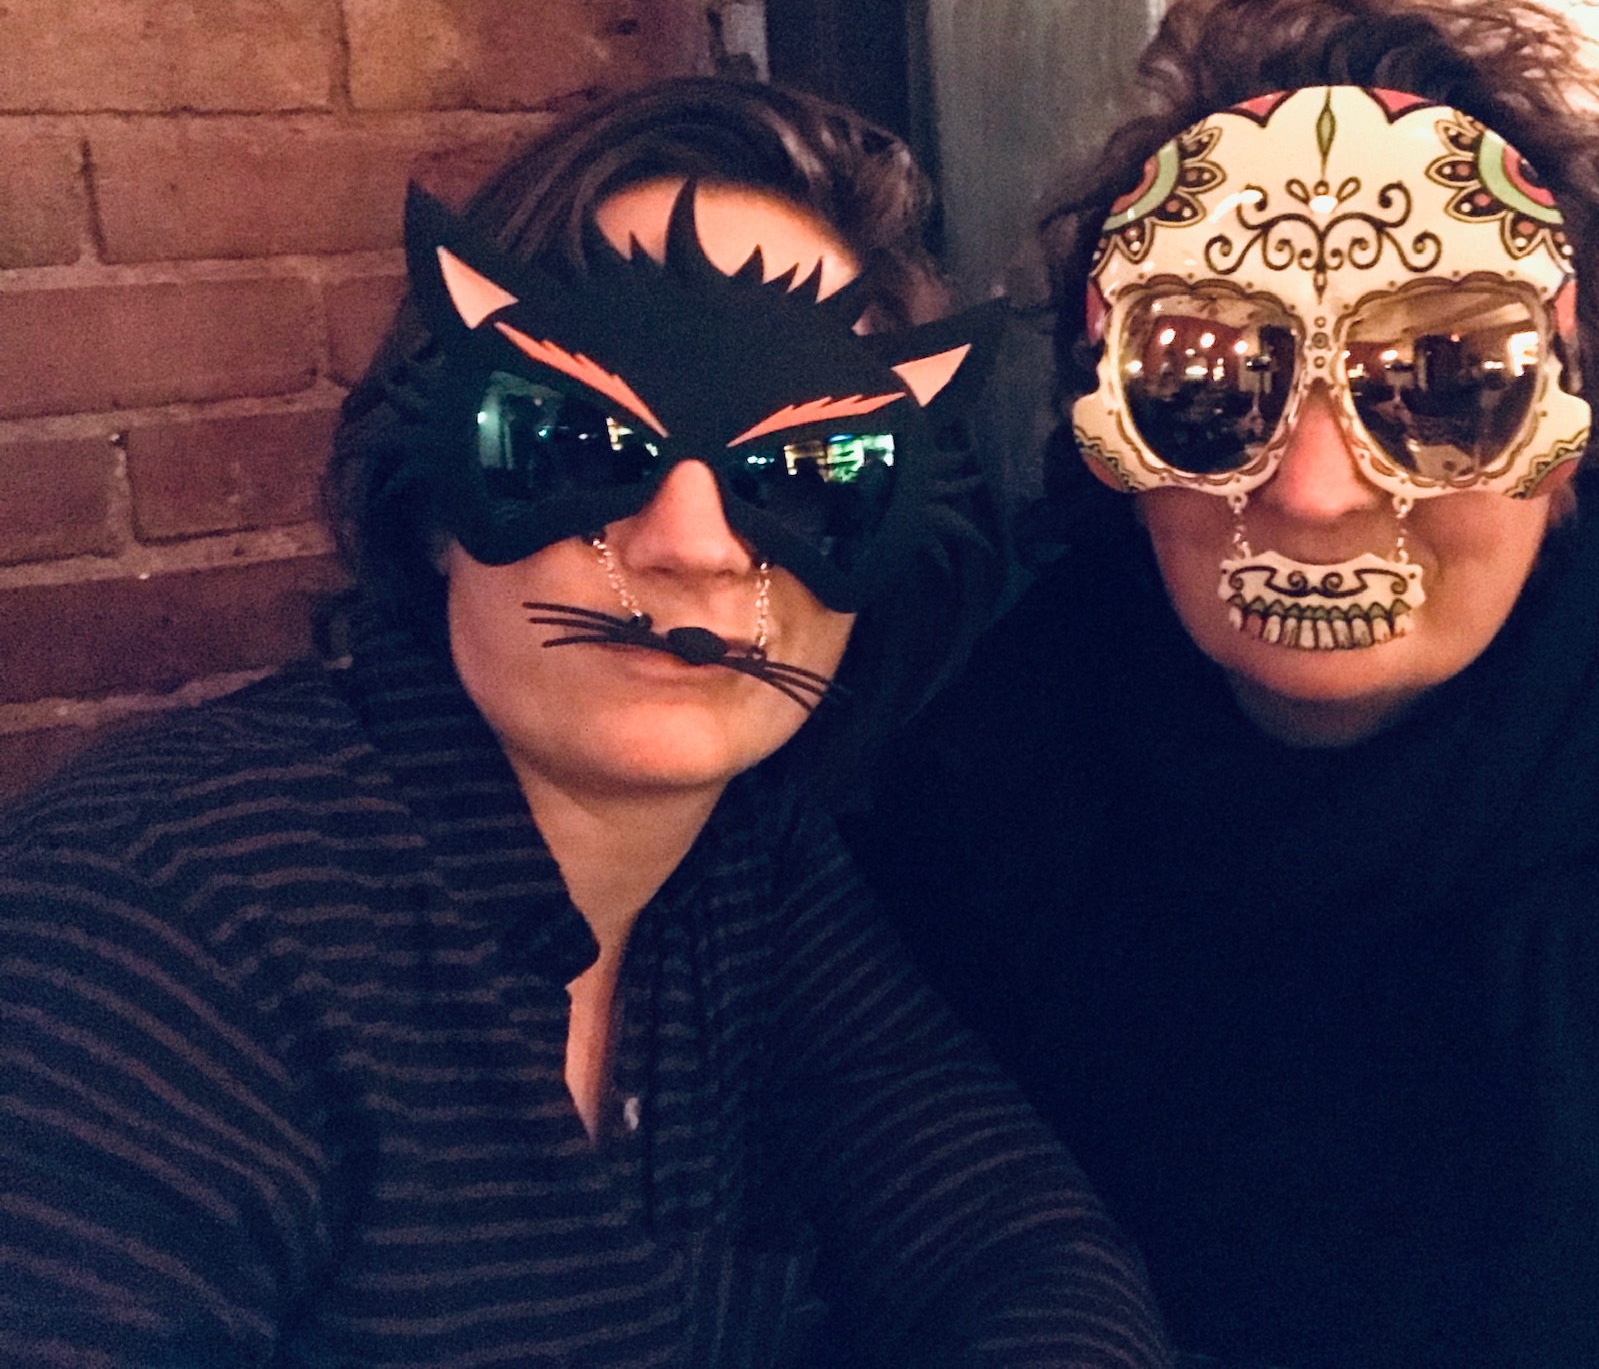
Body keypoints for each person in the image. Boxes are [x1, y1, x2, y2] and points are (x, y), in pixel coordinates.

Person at [845, 0, 1599, 1369]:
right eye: (1207, 381)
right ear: (1108, 424)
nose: (1314, 492)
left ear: (1577, 420)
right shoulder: (986, 799)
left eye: (1444, 379)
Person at [0, 78, 1171, 1369]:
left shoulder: (747, 866)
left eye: (804, 475)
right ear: (436, 504)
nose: (693, 547)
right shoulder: (145, 942)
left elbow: (1012, 1250)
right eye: (579, 442)